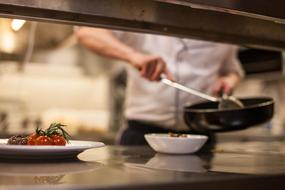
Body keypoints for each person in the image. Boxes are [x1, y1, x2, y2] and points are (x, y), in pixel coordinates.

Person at [75, 27, 244, 145]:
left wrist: (228, 81)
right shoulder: (144, 9)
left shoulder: (222, 22)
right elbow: (87, 32)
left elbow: (232, 70)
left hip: (202, 136)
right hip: (143, 134)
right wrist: (132, 55)